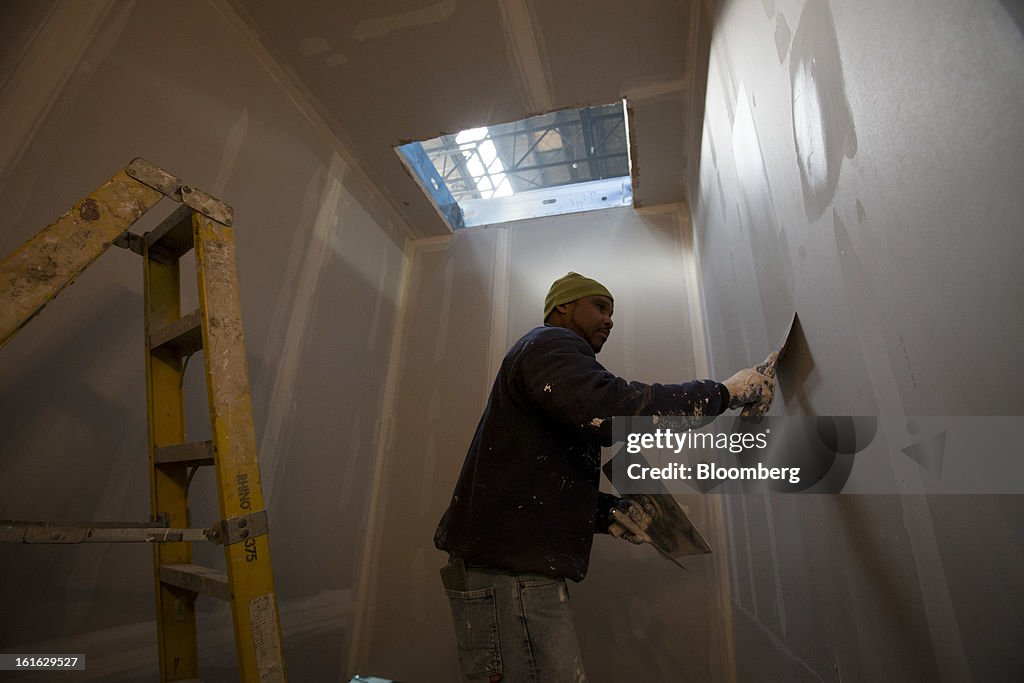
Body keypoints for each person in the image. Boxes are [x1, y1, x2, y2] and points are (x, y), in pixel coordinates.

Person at [434, 272, 775, 682]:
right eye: (599, 307)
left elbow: (535, 483)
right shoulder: (548, 344)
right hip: (510, 577)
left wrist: (610, 513)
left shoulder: (547, 366)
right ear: (562, 306)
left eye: (612, 312)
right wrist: (724, 393)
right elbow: (609, 409)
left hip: (514, 572)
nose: (610, 320)